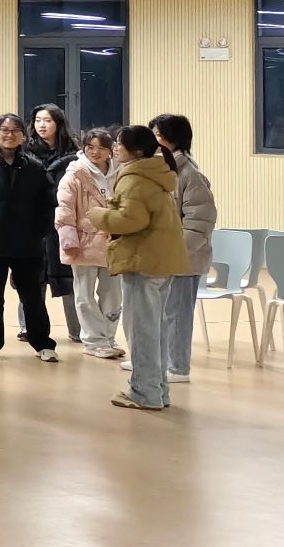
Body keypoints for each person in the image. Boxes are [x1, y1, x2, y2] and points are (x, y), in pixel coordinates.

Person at [87, 126, 188, 412]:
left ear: (136, 151)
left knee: (142, 331)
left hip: (143, 261)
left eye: (119, 145)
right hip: (161, 260)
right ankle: (158, 391)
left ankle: (144, 393)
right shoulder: (156, 173)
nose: (115, 149)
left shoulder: (135, 178)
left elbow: (131, 220)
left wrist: (98, 215)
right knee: (155, 330)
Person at [0, 112, 58, 362]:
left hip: (27, 246)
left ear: (23, 137)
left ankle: (42, 343)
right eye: (4, 130)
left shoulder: (35, 167)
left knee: (33, 297)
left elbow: (48, 202)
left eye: (15, 131)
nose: (9, 135)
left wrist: (40, 231)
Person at [149, 113, 217, 385]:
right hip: (162, 257)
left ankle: (177, 367)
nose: (153, 141)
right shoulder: (162, 170)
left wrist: (176, 253)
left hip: (183, 259)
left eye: (157, 135)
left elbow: (199, 222)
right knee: (158, 312)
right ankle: (155, 361)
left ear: (172, 139)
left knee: (177, 314)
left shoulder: (190, 174)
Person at [56, 129, 123, 359]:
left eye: (101, 148)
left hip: (114, 241)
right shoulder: (74, 174)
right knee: (84, 294)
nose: (95, 152)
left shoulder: (120, 172)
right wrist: (68, 239)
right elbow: (64, 210)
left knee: (113, 293)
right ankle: (94, 340)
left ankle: (109, 337)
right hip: (83, 242)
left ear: (110, 150)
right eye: (90, 147)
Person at [26, 103, 82, 342]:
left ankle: (77, 330)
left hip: (64, 222)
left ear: (58, 124)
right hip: (33, 223)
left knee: (69, 278)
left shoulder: (75, 155)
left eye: (47, 120)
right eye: (38, 120)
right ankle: (28, 328)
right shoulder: (25, 152)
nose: (42, 125)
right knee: (31, 277)